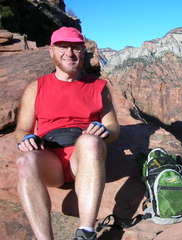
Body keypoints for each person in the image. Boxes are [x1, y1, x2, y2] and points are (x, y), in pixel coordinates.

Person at [15, 26, 120, 240]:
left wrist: (103, 131)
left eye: (75, 48)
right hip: (51, 161)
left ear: (83, 51)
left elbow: (114, 128)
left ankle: (86, 232)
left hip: (84, 160)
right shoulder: (36, 88)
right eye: (63, 47)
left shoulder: (99, 87)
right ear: (51, 51)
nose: (69, 53)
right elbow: (21, 130)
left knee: (90, 142)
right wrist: (26, 139)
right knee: (25, 161)